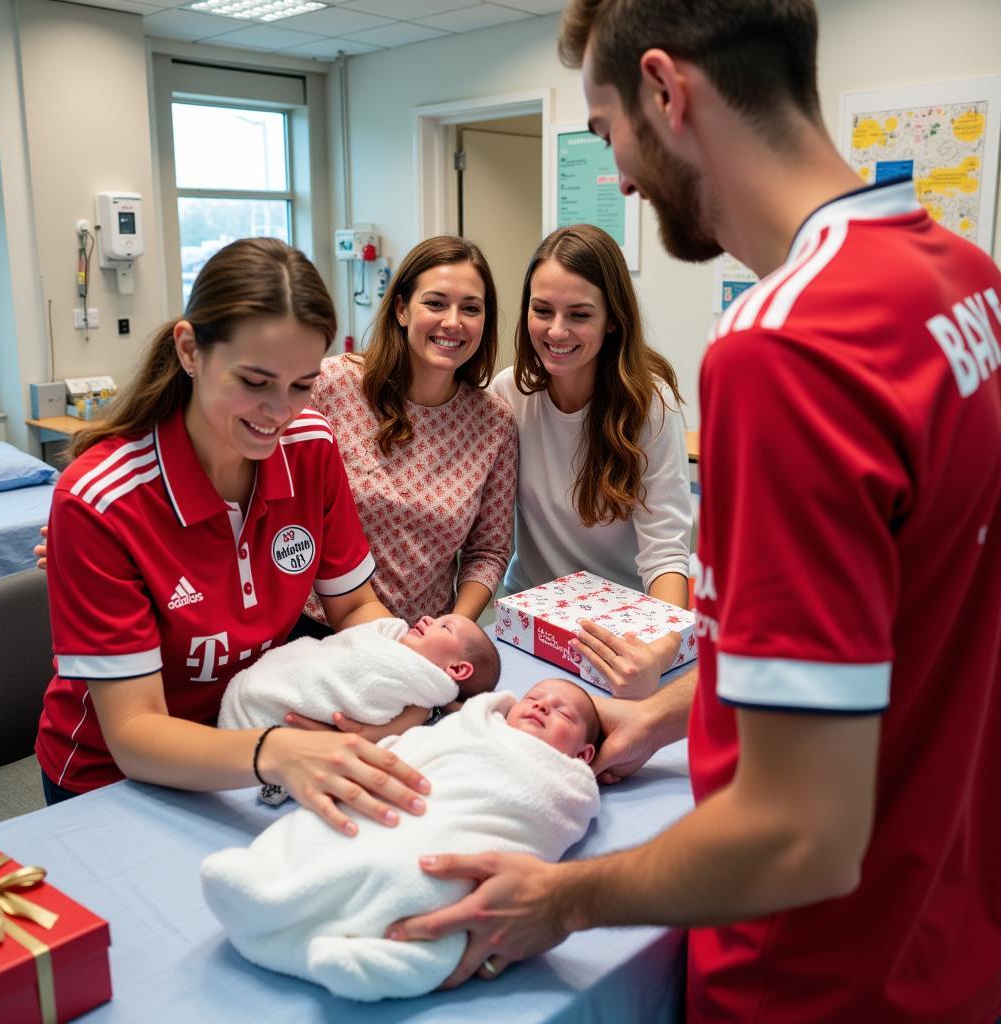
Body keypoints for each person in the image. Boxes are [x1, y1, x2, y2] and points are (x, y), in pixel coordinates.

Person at [385, 2, 1001, 1020]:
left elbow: (796, 830)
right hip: (946, 925)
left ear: (666, 91)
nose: (618, 173)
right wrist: (662, 716)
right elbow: (885, 637)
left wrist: (564, 898)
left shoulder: (784, 348)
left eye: (606, 131)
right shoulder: (960, 282)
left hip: (813, 966)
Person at [35, 238, 432, 839]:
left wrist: (405, 691)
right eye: (255, 380)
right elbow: (137, 733)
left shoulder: (310, 448)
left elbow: (352, 606)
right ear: (191, 349)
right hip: (116, 780)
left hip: (260, 741)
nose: (278, 412)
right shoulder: (101, 501)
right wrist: (275, 752)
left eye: (302, 385)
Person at [200, 681, 601, 1001]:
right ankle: (266, 887)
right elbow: (412, 746)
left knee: (422, 872)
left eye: (562, 711)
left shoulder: (567, 784)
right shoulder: (469, 725)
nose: (543, 706)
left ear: (583, 755)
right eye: (534, 697)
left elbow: (546, 824)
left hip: (465, 825)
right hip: (410, 793)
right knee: (335, 827)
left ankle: (389, 959)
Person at [490, 223, 693, 700]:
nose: (556, 331)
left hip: (619, 631)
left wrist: (661, 648)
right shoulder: (508, 394)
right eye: (542, 311)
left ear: (612, 320)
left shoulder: (651, 404)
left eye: (579, 314)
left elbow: (665, 550)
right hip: (529, 619)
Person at [295, 236, 517, 641]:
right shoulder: (331, 387)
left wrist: (455, 628)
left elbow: (488, 552)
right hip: (316, 630)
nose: (454, 322)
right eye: (435, 303)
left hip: (425, 640)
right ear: (401, 309)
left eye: (470, 308)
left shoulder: (494, 422)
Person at [218, 614, 502, 745]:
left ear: (458, 670)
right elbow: (338, 653)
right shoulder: (388, 637)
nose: (428, 618)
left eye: (445, 626)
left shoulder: (407, 679)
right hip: (265, 683)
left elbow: (364, 703)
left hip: (261, 712)